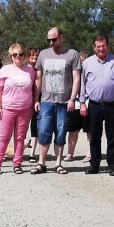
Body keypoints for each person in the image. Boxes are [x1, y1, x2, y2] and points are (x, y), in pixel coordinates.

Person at [33, 27, 81, 174]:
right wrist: (36, 99)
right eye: (49, 40)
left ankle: (58, 163)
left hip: (64, 101)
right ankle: (41, 163)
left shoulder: (72, 54)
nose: (51, 42)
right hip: (46, 101)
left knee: (61, 133)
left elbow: (76, 78)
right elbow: (38, 79)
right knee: (43, 131)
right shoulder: (43, 54)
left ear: (61, 37)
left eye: (54, 39)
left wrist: (73, 99)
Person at [79, 36, 114, 175]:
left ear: (107, 46)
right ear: (94, 47)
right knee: (94, 136)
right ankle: (94, 165)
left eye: (103, 46)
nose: (101, 49)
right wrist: (82, 103)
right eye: (98, 46)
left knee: (112, 136)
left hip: (112, 104)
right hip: (94, 105)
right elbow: (82, 85)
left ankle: (113, 165)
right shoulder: (87, 63)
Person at [0, 43, 36, 174]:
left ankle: (17, 163)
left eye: (21, 54)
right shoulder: (5, 69)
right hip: (8, 108)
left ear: (24, 56)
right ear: (11, 56)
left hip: (25, 109)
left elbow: (34, 88)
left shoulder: (30, 71)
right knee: (4, 137)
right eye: (15, 54)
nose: (18, 57)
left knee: (20, 138)